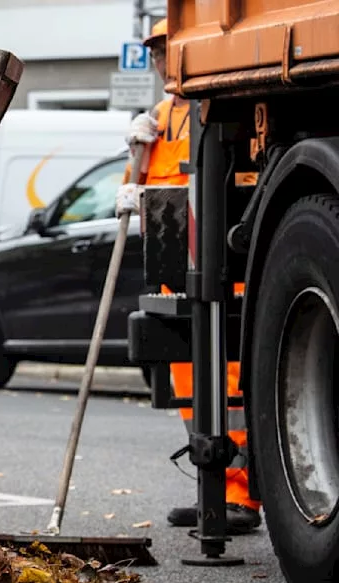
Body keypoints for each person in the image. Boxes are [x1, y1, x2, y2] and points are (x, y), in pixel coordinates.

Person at [117, 18, 262, 534]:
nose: (160, 62)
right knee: (188, 380)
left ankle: (242, 496)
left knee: (229, 385)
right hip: (172, 263)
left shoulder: (214, 109)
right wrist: (128, 185)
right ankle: (212, 489)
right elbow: (144, 184)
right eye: (155, 54)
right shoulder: (157, 118)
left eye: (165, 52)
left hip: (215, 260)